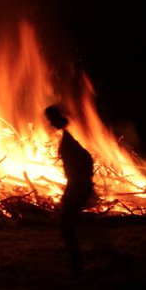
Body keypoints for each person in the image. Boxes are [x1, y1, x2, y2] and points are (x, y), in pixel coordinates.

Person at [45, 104, 96, 275]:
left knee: (66, 225)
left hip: (77, 186)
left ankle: (79, 266)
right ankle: (80, 263)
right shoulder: (65, 137)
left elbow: (86, 158)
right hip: (76, 185)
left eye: (52, 120)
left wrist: (84, 181)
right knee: (68, 224)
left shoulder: (69, 139)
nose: (51, 124)